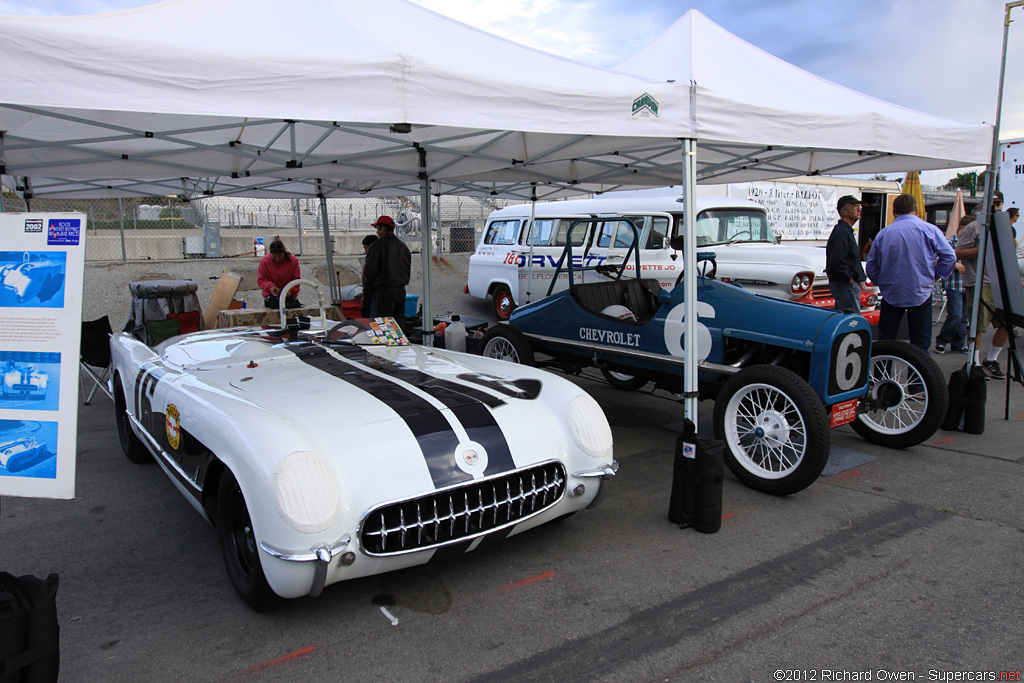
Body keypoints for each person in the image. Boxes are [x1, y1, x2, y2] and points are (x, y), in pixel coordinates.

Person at [866, 193, 956, 351]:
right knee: (920, 344)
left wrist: (881, 282)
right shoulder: (929, 229)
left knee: (886, 341)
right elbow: (949, 256)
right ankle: (917, 375)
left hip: (892, 292)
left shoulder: (884, 234)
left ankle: (882, 373)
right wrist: (937, 275)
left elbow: (871, 266)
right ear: (915, 209)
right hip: (921, 290)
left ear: (894, 212)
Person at [956, 190, 1009, 378]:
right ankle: (974, 362)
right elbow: (959, 253)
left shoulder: (1003, 227)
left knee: (1009, 323)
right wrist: (981, 247)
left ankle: (991, 359)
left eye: (999, 204)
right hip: (979, 282)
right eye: (993, 204)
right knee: (978, 325)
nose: (996, 208)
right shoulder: (974, 227)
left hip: (1001, 283)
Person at [362, 215, 412, 329]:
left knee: (385, 325)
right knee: (398, 324)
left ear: (383, 228)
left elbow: (370, 273)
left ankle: (387, 346)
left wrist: (367, 298)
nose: (377, 232)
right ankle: (401, 345)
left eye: (377, 229)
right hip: (400, 290)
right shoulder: (403, 246)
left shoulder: (377, 246)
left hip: (384, 291)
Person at [934, 214, 974, 354]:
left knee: (964, 318)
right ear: (962, 228)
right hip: (953, 284)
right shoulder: (950, 242)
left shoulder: (972, 243)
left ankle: (958, 343)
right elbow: (938, 259)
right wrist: (955, 264)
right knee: (955, 315)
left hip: (967, 283)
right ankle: (942, 340)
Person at [825, 195, 867, 314]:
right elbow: (836, 261)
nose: (859, 210)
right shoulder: (842, 232)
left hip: (846, 285)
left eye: (859, 207)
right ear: (843, 212)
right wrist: (849, 279)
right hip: (845, 286)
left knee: (844, 317)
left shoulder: (845, 231)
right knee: (851, 321)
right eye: (854, 207)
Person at [257, 239, 302, 309]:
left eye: (280, 256)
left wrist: (289, 291)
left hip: (289, 298)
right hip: (271, 298)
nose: (277, 259)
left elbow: (296, 279)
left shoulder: (293, 261)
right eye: (274, 256)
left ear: (284, 253)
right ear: (270, 254)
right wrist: (271, 287)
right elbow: (261, 279)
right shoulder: (264, 261)